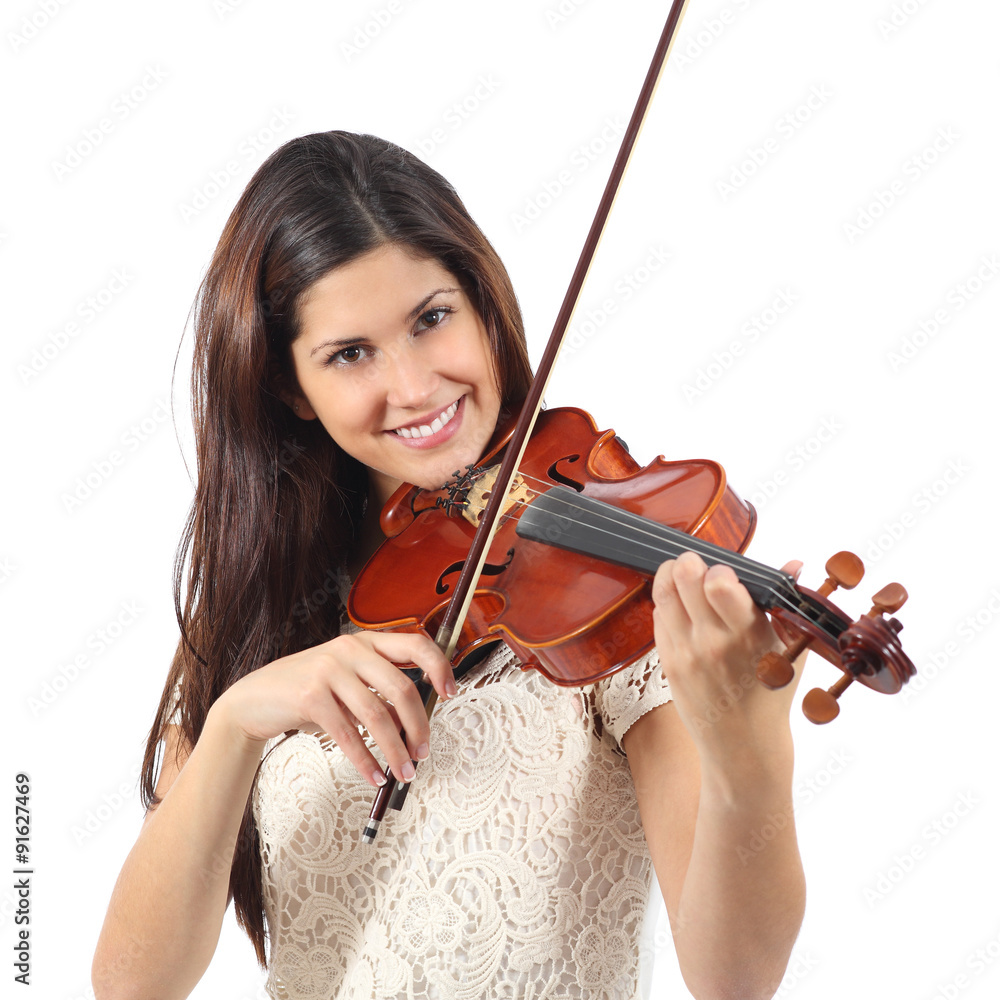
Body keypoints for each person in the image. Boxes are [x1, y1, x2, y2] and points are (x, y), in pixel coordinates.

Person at [92, 130, 806, 1000]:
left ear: (479, 306)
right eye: (350, 354)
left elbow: (735, 977)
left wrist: (751, 751)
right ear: (290, 389)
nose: (417, 386)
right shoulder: (259, 618)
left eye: (432, 320)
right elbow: (132, 987)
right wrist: (240, 718)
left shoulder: (612, 610)